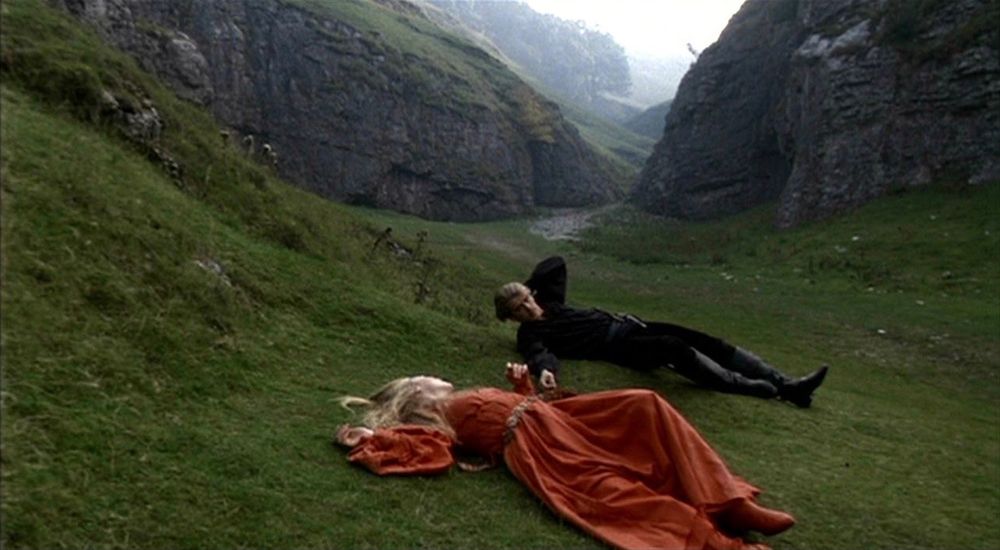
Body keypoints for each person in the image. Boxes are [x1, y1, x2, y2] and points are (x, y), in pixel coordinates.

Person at [335, 363, 795, 550]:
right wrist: (369, 437)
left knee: (644, 404)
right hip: (537, 446)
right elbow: (425, 451)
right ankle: (722, 543)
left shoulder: (465, 396)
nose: (434, 375)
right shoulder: (434, 422)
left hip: (556, 418)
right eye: (424, 376)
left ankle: (730, 501)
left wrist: (525, 387)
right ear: (418, 391)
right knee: (613, 493)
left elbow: (509, 407)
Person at [494, 256, 828, 406]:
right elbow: (539, 355)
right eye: (517, 310)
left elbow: (555, 263)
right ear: (511, 319)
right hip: (619, 347)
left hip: (630, 326)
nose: (527, 308)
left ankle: (786, 383)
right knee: (674, 347)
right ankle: (758, 388)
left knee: (702, 339)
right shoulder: (529, 335)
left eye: (525, 300)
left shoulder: (549, 301)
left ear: (531, 293)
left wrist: (528, 286)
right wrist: (547, 372)